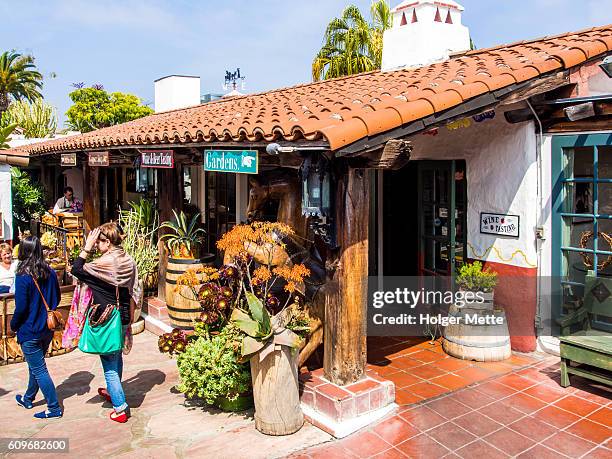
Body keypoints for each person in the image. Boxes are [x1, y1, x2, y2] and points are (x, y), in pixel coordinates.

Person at [71, 222, 139, 423]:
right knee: (116, 355)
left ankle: (120, 407)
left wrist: (86, 247)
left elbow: (77, 269)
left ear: (107, 242)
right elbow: (134, 287)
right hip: (124, 314)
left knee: (108, 364)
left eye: (98, 242)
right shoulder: (128, 260)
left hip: (107, 316)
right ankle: (113, 391)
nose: (96, 245)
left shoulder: (102, 264)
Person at [11, 236, 62, 419]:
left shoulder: (23, 276)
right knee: (36, 366)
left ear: (23, 252)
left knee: (39, 369)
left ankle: (54, 408)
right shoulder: (51, 272)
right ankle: (28, 397)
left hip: (29, 330)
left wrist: (13, 325)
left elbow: (21, 307)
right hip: (46, 329)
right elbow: (56, 298)